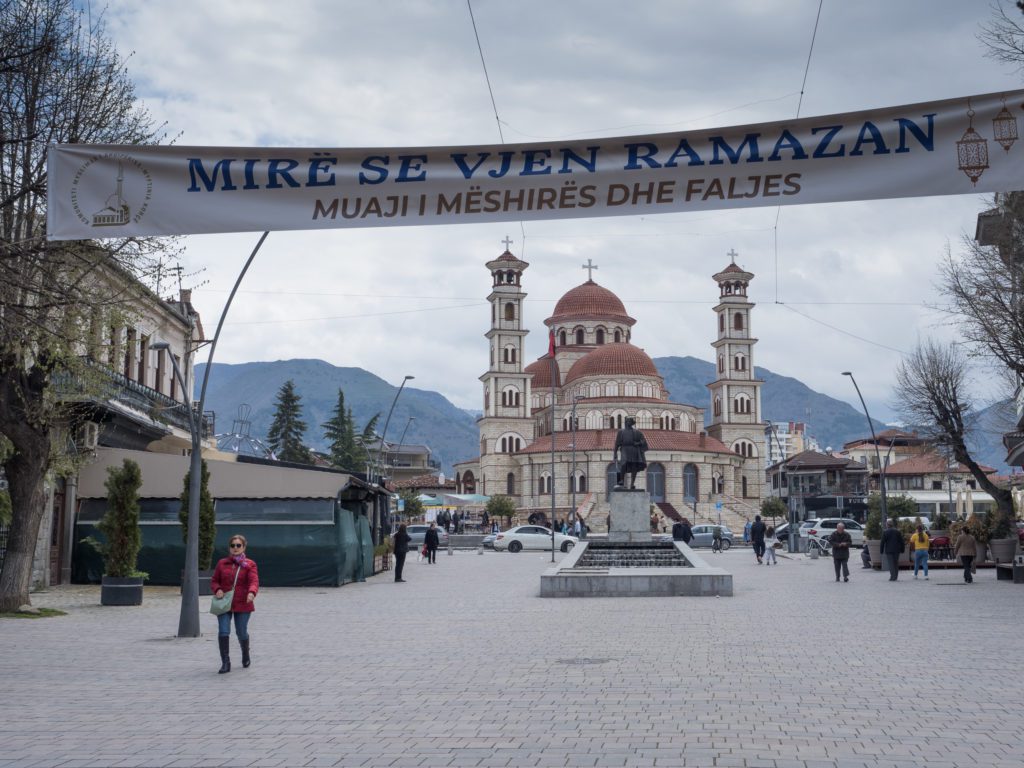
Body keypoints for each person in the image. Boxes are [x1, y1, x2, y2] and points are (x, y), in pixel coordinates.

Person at [210, 534, 259, 674]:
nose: (235, 548)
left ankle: (245, 652)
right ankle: (225, 662)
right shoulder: (222, 563)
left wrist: (252, 592)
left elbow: (254, 581)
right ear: (229, 547)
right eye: (233, 545)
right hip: (224, 603)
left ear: (244, 547)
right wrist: (217, 589)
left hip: (243, 602)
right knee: (223, 631)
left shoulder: (250, 564)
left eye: (238, 545)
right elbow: (214, 580)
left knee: (241, 632)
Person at [613, 417, 649, 489]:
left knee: (634, 467)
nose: (628, 423)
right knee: (623, 464)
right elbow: (617, 443)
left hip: (634, 450)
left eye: (629, 422)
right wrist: (615, 454)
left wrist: (638, 443)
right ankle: (622, 481)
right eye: (627, 421)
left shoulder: (637, 432)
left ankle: (632, 484)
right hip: (624, 449)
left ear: (632, 423)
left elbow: (643, 441)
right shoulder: (621, 432)